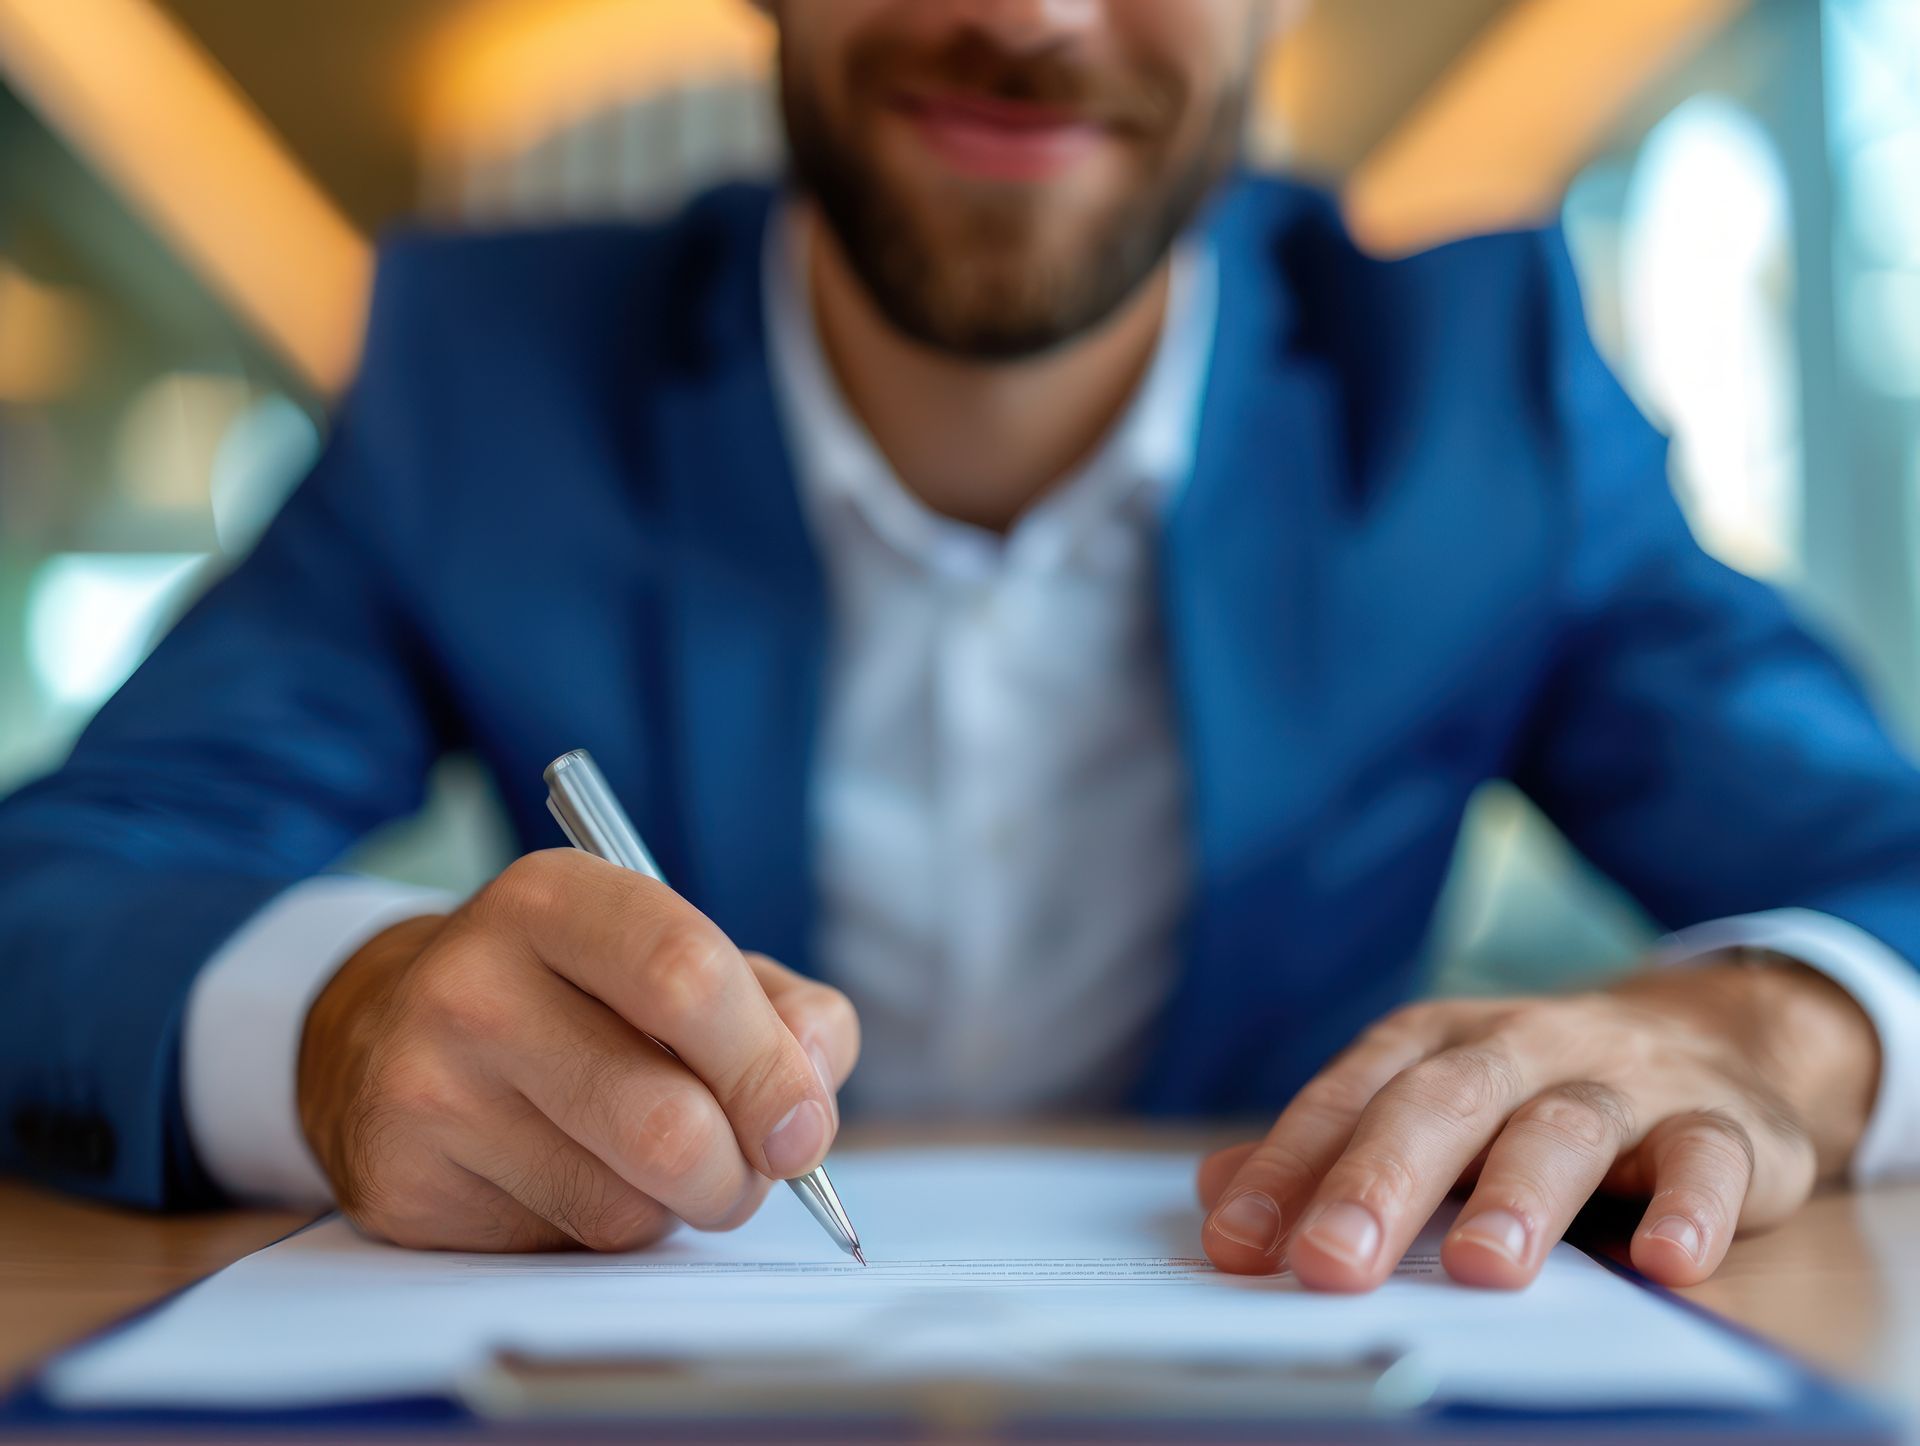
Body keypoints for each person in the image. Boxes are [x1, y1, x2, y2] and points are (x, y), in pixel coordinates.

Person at [2, 0, 1916, 1296]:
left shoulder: (1477, 402)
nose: (1029, 12)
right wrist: (342, 1028)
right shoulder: (484, 383)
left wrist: (1764, 1029)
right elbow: (54, 899)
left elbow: (1881, 864)